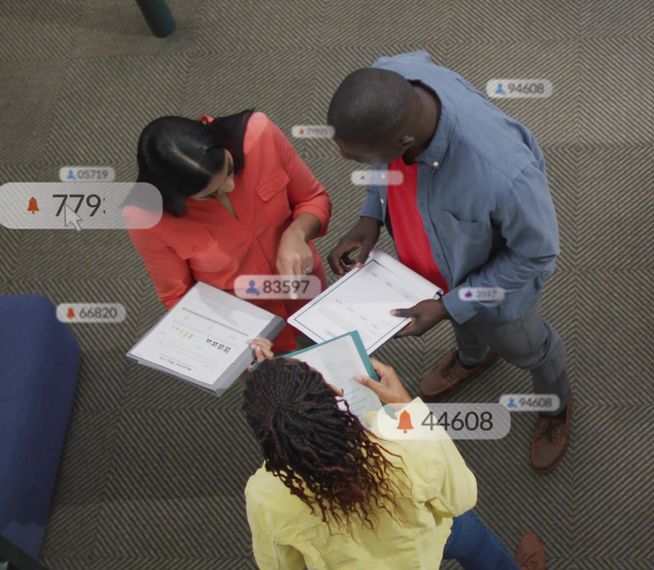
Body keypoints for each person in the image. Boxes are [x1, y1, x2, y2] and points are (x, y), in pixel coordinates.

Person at [325, 51, 571, 471]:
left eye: (363, 159)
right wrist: (371, 215)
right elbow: (385, 170)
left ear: (403, 142)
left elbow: (535, 252)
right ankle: (474, 358)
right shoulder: (395, 77)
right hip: (427, 272)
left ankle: (556, 407)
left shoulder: (503, 175)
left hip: (496, 296)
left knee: (531, 349)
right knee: (462, 326)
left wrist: (447, 305)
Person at [242, 339, 546, 569]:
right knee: (475, 540)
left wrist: (268, 384)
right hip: (426, 543)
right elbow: (461, 498)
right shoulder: (404, 438)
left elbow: (279, 565)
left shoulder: (263, 494)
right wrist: (404, 405)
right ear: (336, 393)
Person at [127, 110, 331, 352]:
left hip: (309, 296)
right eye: (211, 194)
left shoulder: (259, 135)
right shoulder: (146, 218)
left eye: (230, 168)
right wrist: (227, 343)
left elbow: (313, 199)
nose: (231, 186)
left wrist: (296, 233)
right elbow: (177, 296)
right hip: (248, 333)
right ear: (176, 196)